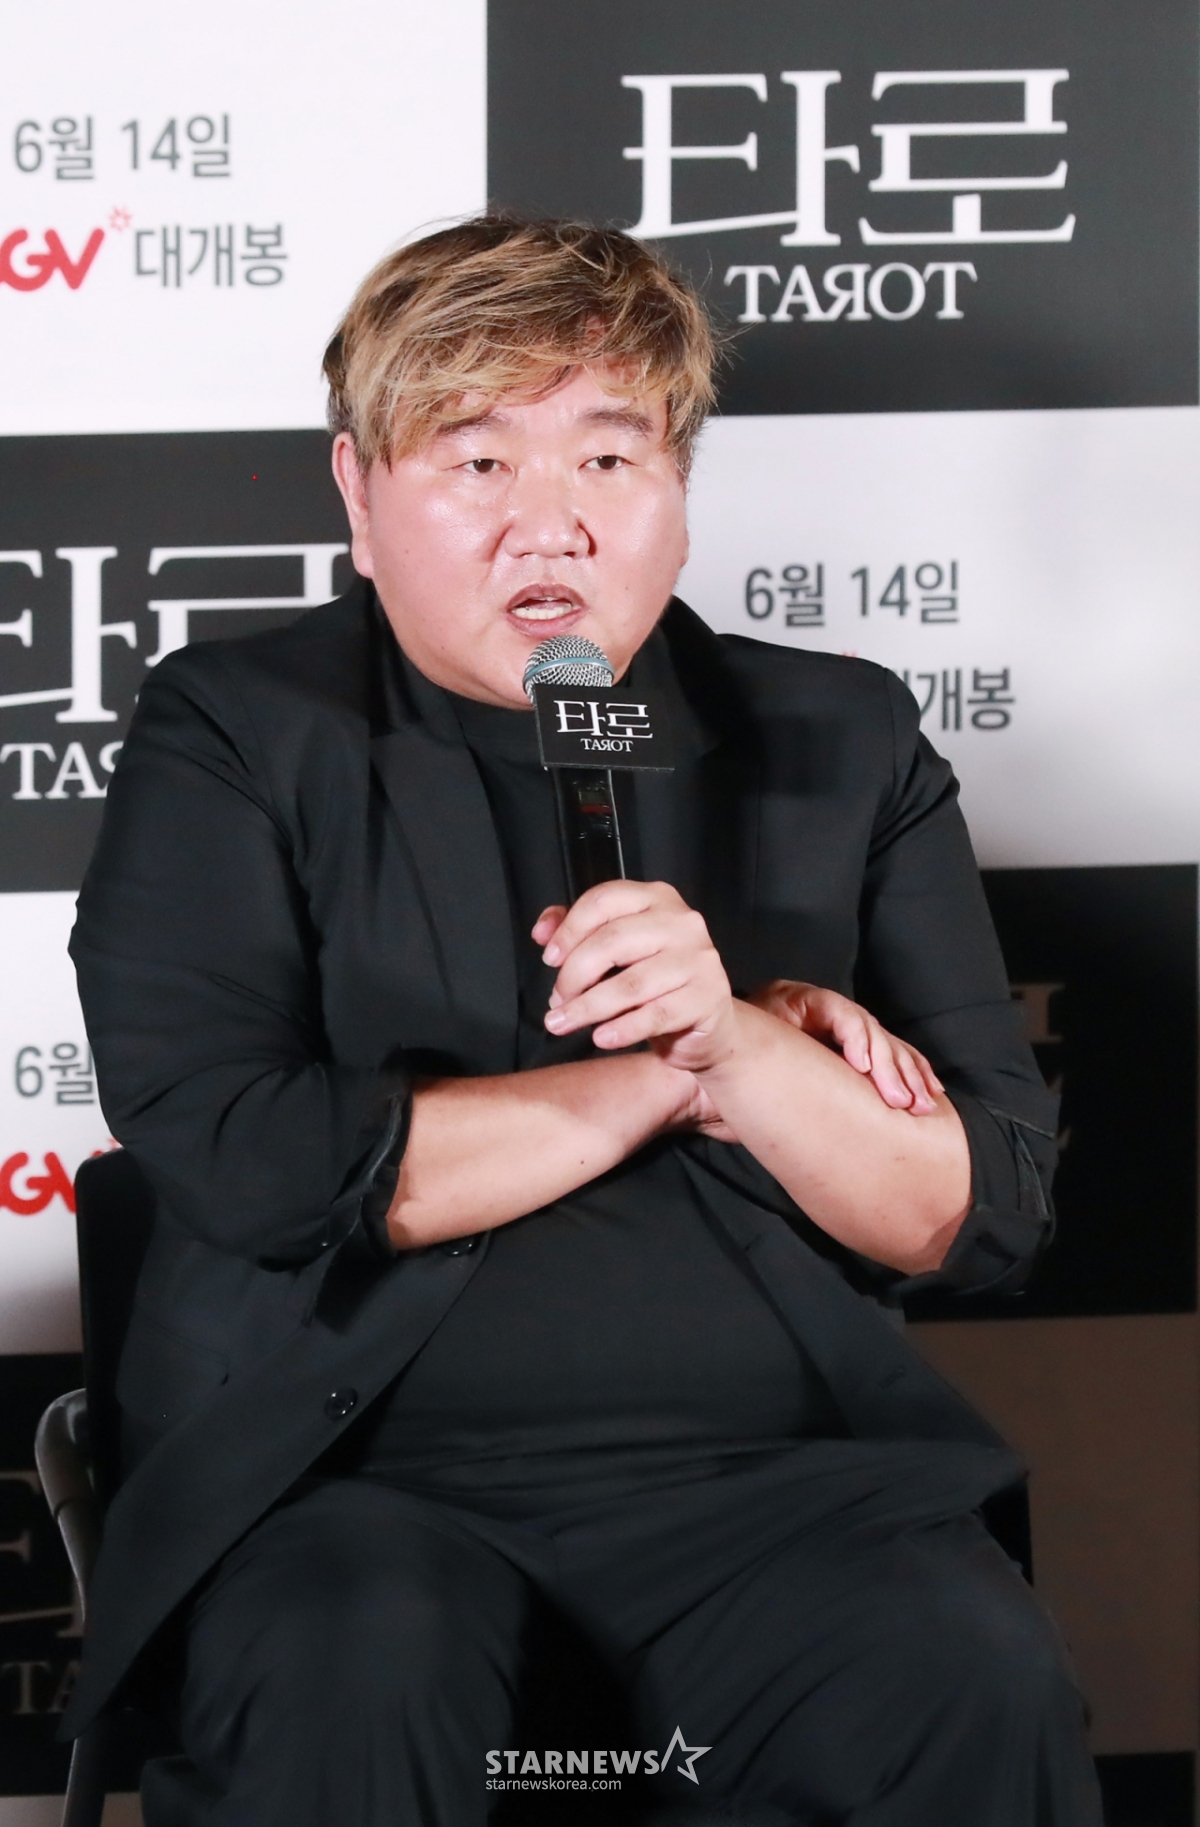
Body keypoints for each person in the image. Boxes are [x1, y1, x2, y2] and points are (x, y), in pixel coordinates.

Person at [64, 214, 1101, 1825]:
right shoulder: (242, 731)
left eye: (611, 461)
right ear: (359, 496)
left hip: (780, 1486)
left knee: (964, 1672)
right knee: (358, 1663)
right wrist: (680, 1071)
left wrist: (736, 1043)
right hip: (349, 1489)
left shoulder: (836, 736)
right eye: (478, 462)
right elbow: (247, 1164)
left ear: (678, 491)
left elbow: (976, 1215)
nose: (548, 524)